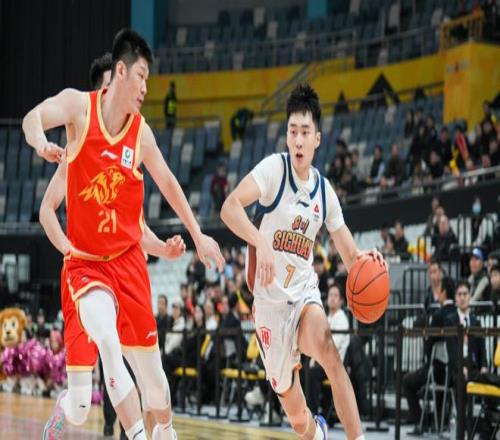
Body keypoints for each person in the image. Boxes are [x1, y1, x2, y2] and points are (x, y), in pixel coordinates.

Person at [24, 29, 224, 440]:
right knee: (107, 342)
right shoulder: (79, 108)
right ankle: (135, 433)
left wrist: (198, 235)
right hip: (86, 265)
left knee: (155, 381)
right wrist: (40, 141)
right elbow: (33, 117)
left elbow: (168, 183)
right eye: (141, 77)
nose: (146, 88)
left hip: (128, 263)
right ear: (120, 71)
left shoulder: (141, 133)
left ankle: (163, 429)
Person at [221, 83, 382, 440]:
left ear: (317, 139)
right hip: (269, 306)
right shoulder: (273, 171)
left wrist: (365, 260)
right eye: (292, 131)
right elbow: (229, 207)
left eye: (305, 132)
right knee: (296, 416)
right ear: (286, 136)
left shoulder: (324, 192)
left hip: (303, 295)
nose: (298, 139)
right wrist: (259, 240)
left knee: (329, 350)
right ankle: (315, 432)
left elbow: (350, 254)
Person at [403, 276, 457, 435]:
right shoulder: (457, 313)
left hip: (436, 367)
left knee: (407, 381)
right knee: (440, 385)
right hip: (451, 370)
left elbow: (429, 346)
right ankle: (438, 422)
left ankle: (421, 423)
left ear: (444, 292)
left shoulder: (439, 315)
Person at [305, 284, 350, 417]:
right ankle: (304, 409)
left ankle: (312, 413)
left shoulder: (342, 318)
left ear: (341, 301)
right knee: (303, 369)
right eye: (330, 295)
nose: (332, 298)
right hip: (324, 362)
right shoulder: (326, 318)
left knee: (313, 373)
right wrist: (314, 358)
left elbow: (332, 346)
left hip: (336, 365)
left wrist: (316, 358)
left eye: (336, 296)